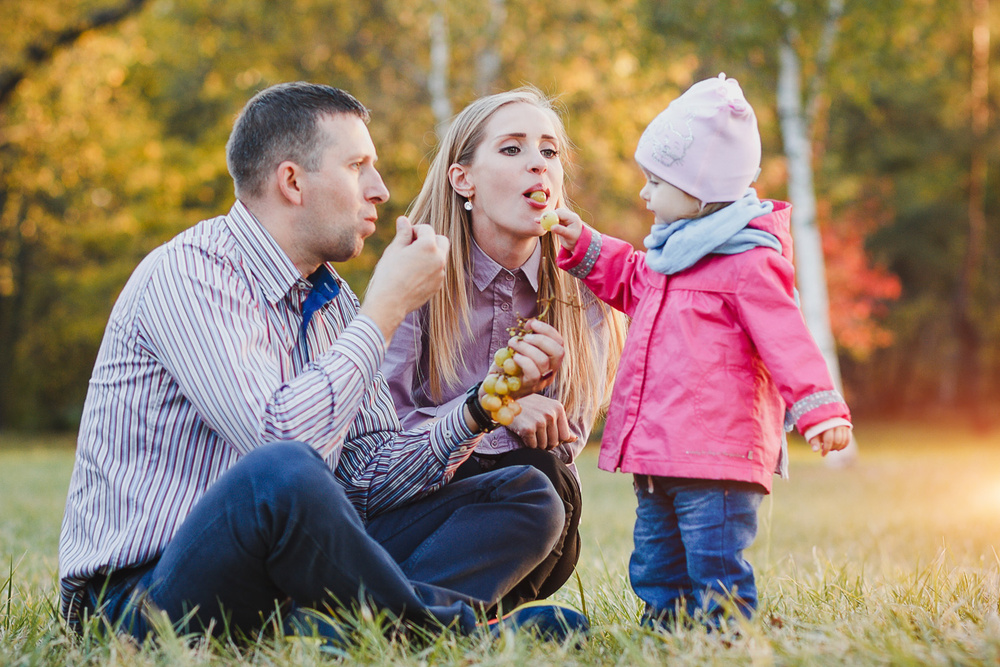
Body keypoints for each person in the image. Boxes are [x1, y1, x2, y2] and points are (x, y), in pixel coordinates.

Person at [58, 81, 587, 644]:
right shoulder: (191, 274)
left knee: (525, 493)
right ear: (292, 182)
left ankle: (345, 633)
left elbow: (364, 479)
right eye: (358, 167)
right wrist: (385, 310)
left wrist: (479, 409)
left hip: (276, 575)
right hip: (141, 595)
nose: (380, 191)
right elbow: (280, 441)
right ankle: (448, 634)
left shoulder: (332, 300)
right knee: (280, 469)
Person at [546, 74, 853, 626]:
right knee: (656, 559)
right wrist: (584, 242)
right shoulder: (671, 257)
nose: (644, 194)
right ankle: (665, 628)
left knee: (714, 560)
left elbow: (788, 339)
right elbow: (631, 278)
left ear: (701, 190)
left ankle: (723, 634)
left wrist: (820, 407)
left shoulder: (749, 264)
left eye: (656, 182)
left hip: (718, 457)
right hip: (659, 451)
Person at [382, 87, 627, 612]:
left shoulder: (583, 290)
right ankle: (428, 617)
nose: (537, 165)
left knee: (547, 483)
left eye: (549, 151)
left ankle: (407, 613)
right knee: (536, 483)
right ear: (462, 178)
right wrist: (496, 411)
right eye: (512, 149)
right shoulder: (417, 276)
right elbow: (385, 435)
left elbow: (565, 439)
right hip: (413, 500)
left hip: (525, 513)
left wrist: (531, 419)